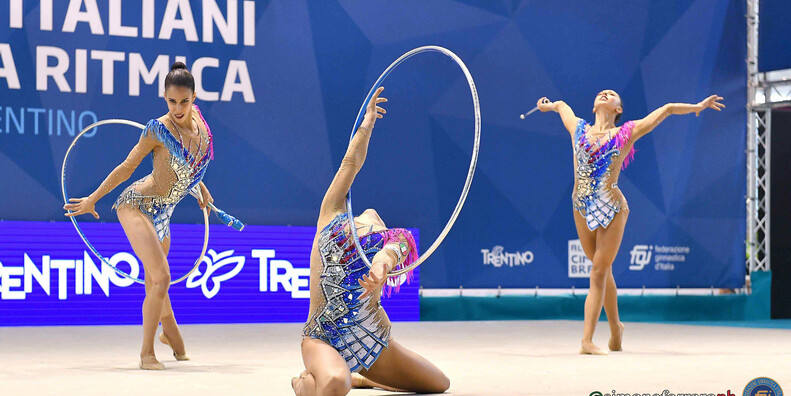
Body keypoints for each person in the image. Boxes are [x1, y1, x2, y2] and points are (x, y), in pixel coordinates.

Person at [537, 91, 724, 354]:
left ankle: (586, 341)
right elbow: (562, 105)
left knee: (599, 272)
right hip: (580, 205)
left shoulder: (626, 132)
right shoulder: (578, 128)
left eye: (612, 95)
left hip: (612, 207)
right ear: (593, 106)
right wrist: (549, 106)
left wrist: (696, 106)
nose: (605, 94)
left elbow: (668, 107)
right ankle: (616, 329)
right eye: (602, 93)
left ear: (618, 109)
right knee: (602, 269)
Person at [292, 87, 450, 395]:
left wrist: (380, 270)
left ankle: (363, 377)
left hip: (372, 339)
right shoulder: (332, 214)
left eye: (375, 225)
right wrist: (367, 125)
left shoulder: (389, 241)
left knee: (439, 384)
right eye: (367, 220)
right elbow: (350, 164)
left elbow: (392, 252)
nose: (370, 218)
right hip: (322, 337)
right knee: (335, 383)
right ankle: (305, 381)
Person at [64, 62, 216, 369]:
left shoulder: (198, 121)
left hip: (166, 212)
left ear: (194, 98)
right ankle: (147, 354)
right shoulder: (157, 129)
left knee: (156, 283)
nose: (178, 108)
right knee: (161, 278)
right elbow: (126, 168)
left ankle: (169, 332)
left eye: (184, 101)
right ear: (164, 97)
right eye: (171, 101)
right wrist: (93, 199)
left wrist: (202, 189)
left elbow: (191, 163)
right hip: (136, 205)